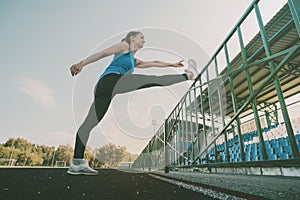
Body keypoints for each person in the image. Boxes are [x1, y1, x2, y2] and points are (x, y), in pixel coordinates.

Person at [67, 31, 198, 175]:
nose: (144, 40)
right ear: (132, 38)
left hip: (106, 89)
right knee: (152, 80)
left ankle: (77, 163)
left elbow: (154, 63)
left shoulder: (134, 61)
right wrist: (82, 63)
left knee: (89, 123)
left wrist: (171, 64)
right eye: (142, 37)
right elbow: (102, 53)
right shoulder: (124, 46)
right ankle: (189, 75)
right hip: (110, 81)